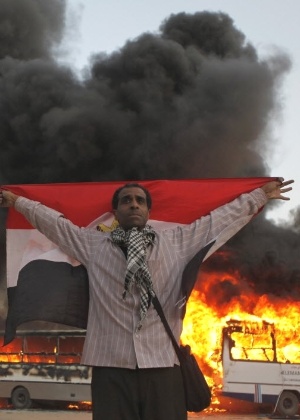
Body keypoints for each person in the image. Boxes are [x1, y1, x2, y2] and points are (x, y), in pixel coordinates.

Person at [0, 178, 294, 420]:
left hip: (162, 367)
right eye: (126, 200)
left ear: (148, 211)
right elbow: (54, 223)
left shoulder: (177, 242)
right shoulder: (93, 245)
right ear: (116, 212)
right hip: (110, 366)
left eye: (140, 200)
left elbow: (217, 221)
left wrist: (259, 196)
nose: (134, 205)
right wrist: (18, 202)